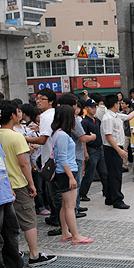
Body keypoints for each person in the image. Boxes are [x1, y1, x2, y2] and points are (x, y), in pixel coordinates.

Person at [0, 100, 58, 268]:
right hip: (18, 183)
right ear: (13, 115)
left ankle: (10, 254)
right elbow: (23, 164)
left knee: (7, 225)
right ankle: (34, 255)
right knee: (29, 220)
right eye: (18, 111)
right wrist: (31, 184)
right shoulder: (17, 136)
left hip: (3, 185)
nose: (21, 114)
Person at [0, 95, 36, 268]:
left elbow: (2, 167)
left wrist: (8, 188)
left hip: (5, 193)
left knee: (11, 233)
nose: (0, 115)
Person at [51, 105, 93, 245]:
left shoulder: (58, 133)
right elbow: (62, 158)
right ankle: (75, 235)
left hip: (65, 172)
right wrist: (70, 177)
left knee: (65, 205)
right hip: (66, 173)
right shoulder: (62, 135)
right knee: (70, 205)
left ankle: (66, 232)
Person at [25, 88, 62, 236]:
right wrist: (40, 129)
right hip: (56, 159)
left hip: (50, 161)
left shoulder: (46, 116)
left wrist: (22, 138)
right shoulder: (53, 114)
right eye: (37, 98)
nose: (38, 101)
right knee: (57, 195)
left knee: (56, 196)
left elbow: (42, 140)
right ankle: (59, 221)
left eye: (42, 98)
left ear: (51, 101)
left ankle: (61, 225)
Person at [56, 94, 96, 218]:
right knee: (74, 185)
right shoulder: (70, 122)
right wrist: (93, 137)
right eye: (75, 105)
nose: (77, 108)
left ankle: (76, 206)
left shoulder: (61, 122)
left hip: (72, 159)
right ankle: (74, 210)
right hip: (71, 161)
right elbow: (82, 137)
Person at [101, 95, 134, 209]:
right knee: (115, 175)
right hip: (112, 149)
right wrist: (119, 150)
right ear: (115, 104)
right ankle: (117, 200)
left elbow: (128, 117)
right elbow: (108, 137)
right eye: (119, 103)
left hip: (114, 148)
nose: (120, 105)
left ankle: (109, 197)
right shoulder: (108, 118)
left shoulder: (116, 115)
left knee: (112, 174)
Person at [79, 99, 109, 203]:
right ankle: (82, 193)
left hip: (100, 149)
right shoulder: (84, 122)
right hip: (91, 150)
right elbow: (82, 138)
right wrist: (85, 152)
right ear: (86, 108)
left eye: (95, 107)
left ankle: (106, 191)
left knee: (104, 172)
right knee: (90, 174)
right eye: (91, 107)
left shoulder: (97, 120)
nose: (94, 109)